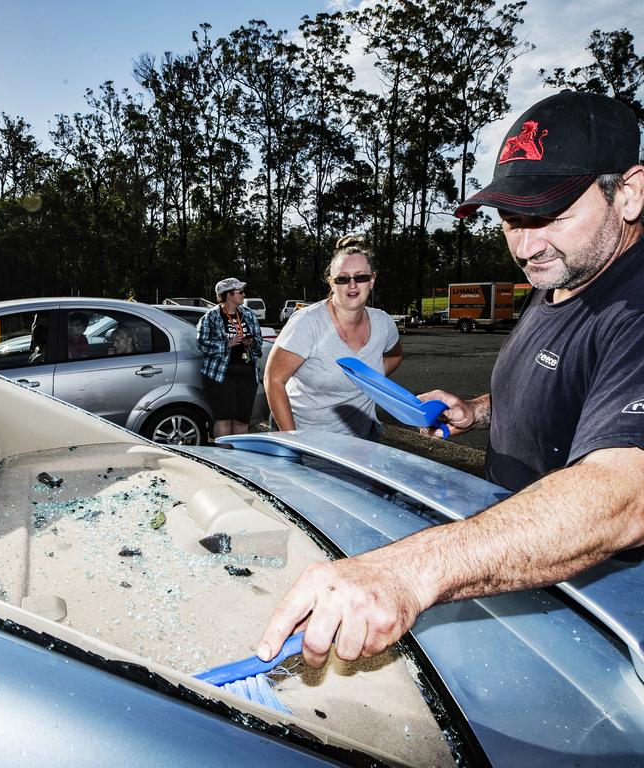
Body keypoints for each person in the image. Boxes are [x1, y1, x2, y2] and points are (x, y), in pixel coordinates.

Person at [257, 90, 644, 670]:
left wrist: (408, 572)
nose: (526, 245)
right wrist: (479, 410)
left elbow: (623, 497)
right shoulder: (564, 274)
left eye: (551, 216)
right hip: (511, 567)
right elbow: (572, 389)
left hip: (595, 613)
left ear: (630, 192)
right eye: (511, 221)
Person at [264, 236, 403, 439]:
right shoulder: (307, 323)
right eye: (343, 279)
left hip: (361, 439)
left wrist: (367, 380)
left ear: (372, 280)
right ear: (332, 282)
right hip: (307, 436)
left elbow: (395, 356)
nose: (352, 285)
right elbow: (273, 379)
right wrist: (293, 440)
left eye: (361, 277)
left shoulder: (384, 323)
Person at [197, 278, 263, 438]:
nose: (243, 295)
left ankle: (239, 458)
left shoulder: (248, 314)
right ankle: (222, 457)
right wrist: (227, 344)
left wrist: (252, 343)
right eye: (240, 292)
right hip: (221, 375)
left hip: (247, 373)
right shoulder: (211, 316)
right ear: (228, 295)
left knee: (242, 420)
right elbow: (201, 343)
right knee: (223, 420)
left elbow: (259, 343)